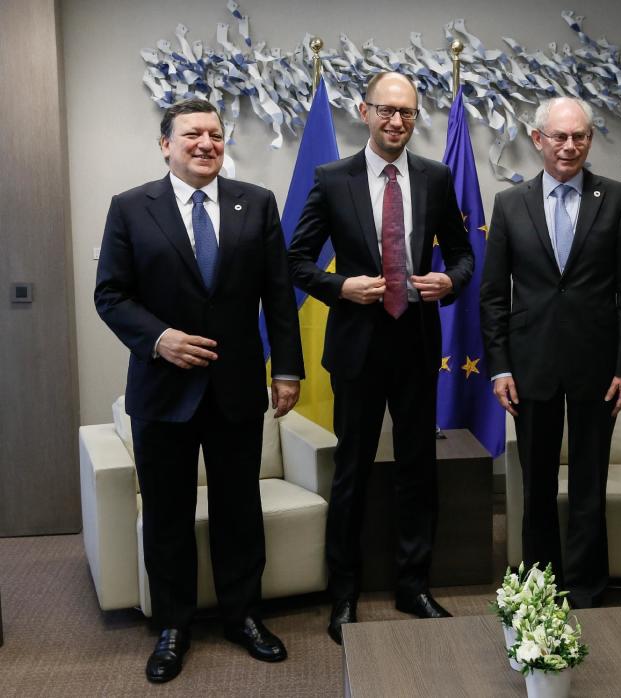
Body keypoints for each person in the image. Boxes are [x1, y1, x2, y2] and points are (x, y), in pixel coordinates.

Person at [94, 99, 304, 683]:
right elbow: (110, 294)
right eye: (192, 134)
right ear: (166, 144)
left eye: (214, 134)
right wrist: (158, 339)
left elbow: (279, 295)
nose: (205, 143)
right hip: (163, 392)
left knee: (240, 508)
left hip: (237, 389)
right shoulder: (132, 208)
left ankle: (243, 615)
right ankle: (173, 625)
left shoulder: (255, 203)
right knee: (167, 513)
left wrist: (287, 370)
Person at [287, 72, 474, 644]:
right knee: (353, 472)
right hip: (357, 348)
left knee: (419, 470)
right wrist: (340, 288)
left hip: (418, 346)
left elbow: (465, 256)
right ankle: (343, 595)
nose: (397, 122)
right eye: (386, 111)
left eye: (408, 114)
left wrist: (451, 280)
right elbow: (295, 260)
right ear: (363, 111)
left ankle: (413, 586)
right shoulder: (332, 178)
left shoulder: (436, 178)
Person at [479, 97, 621, 609]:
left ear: (590, 141)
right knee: (536, 487)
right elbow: (493, 295)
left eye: (580, 137)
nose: (570, 146)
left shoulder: (618, 199)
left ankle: (590, 588)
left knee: (590, 483)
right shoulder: (510, 205)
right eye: (559, 137)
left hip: (599, 366)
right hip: (530, 366)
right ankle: (541, 589)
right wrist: (500, 366)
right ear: (538, 139)